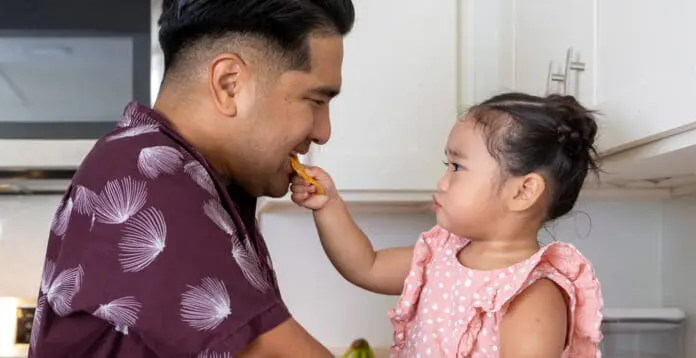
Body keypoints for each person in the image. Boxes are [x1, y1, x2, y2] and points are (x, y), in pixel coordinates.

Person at [30, 0, 355, 356]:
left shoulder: (204, 181)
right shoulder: (146, 174)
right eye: (316, 100)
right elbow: (273, 351)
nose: (324, 132)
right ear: (229, 84)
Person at [290, 92, 605, 356]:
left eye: (457, 166)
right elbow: (366, 266)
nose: (441, 182)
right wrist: (329, 205)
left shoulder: (532, 294)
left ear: (523, 191)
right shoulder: (439, 255)